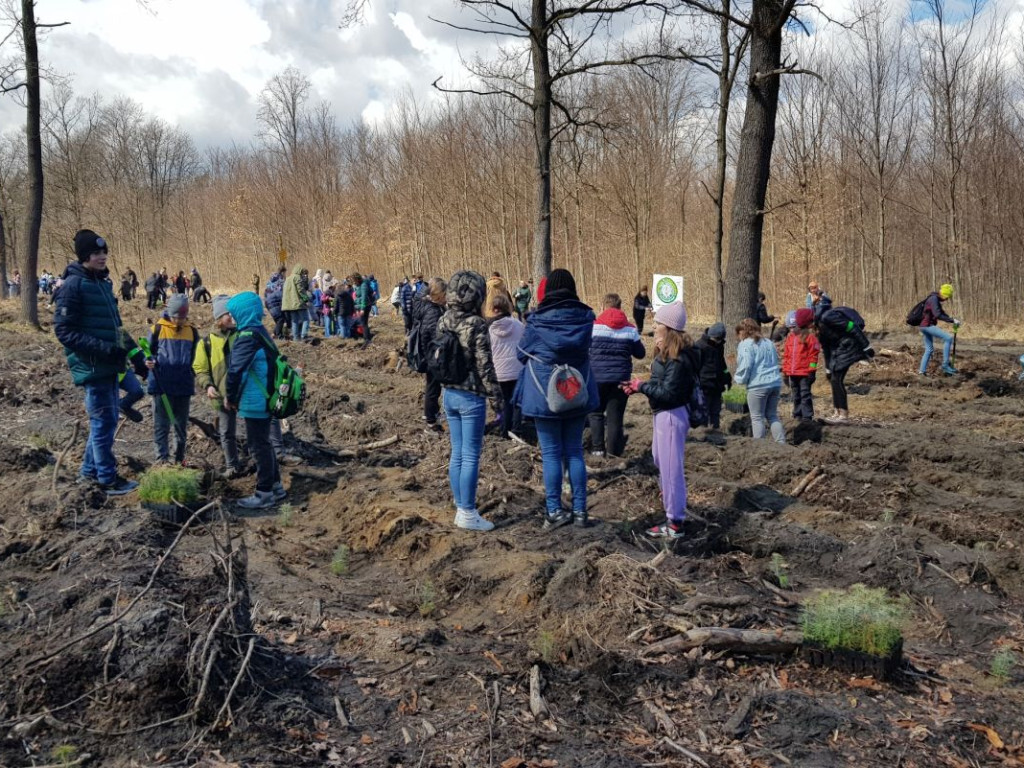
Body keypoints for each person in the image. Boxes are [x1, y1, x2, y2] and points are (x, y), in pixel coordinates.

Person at [55, 229, 138, 495]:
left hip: (109, 364)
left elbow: (116, 327)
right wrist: (104, 350)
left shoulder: (103, 284)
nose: (102, 257)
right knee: (104, 422)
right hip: (93, 365)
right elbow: (64, 331)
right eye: (95, 253)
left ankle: (89, 473)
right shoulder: (73, 286)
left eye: (104, 252)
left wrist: (133, 354)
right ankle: (107, 478)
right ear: (84, 256)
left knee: (107, 420)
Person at [516, 268, 598, 529]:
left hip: (543, 395)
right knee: (575, 452)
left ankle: (554, 511)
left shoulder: (537, 322)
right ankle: (581, 511)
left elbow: (521, 354)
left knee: (551, 454)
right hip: (577, 392)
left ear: (548, 290)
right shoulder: (585, 319)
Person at [622, 301, 697, 539]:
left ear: (669, 328)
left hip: (672, 416)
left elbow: (670, 393)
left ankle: (675, 522)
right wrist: (638, 387)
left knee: (670, 467)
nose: (654, 328)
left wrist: (642, 386)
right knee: (659, 457)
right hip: (662, 415)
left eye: (658, 324)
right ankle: (670, 496)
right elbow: (661, 384)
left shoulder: (678, 359)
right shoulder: (665, 355)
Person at [436, 270, 502, 531]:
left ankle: (460, 503)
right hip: (471, 397)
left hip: (448, 394)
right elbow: (486, 366)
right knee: (471, 455)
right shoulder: (476, 324)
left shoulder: (444, 319)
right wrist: (498, 400)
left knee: (457, 453)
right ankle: (467, 512)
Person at [225, 292, 288, 509]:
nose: (231, 318)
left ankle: (264, 494)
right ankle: (276, 487)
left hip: (256, 400)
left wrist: (230, 398)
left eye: (234, 314)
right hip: (267, 397)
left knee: (258, 447)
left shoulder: (247, 337)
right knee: (265, 443)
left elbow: (235, 372)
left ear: (243, 313)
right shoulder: (260, 332)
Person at [194, 295, 244, 477]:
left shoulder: (242, 334)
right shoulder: (206, 343)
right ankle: (232, 465)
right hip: (221, 396)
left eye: (232, 313)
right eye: (227, 314)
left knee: (256, 429)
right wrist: (207, 385)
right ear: (218, 318)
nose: (231, 317)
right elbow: (200, 368)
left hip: (245, 393)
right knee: (227, 431)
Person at [589, 292, 645, 457]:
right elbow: (640, 353)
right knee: (615, 417)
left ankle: (598, 450)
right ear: (620, 307)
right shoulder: (630, 329)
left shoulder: (593, 326)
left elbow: (585, 350)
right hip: (621, 379)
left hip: (597, 378)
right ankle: (613, 454)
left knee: (595, 413)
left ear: (603, 306)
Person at [146, 294, 199, 465]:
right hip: (162, 384)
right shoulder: (158, 329)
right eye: (177, 317)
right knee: (162, 425)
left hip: (183, 385)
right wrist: (148, 361)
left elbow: (196, 357)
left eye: (183, 318)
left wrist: (192, 372)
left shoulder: (192, 331)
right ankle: (162, 460)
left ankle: (179, 460)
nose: (180, 321)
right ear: (170, 313)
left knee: (180, 426)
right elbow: (146, 353)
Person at [817, 306, 874, 424]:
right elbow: (827, 350)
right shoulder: (820, 333)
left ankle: (843, 415)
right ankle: (837, 412)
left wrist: (866, 346)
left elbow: (852, 327)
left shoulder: (829, 318)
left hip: (851, 344)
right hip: (841, 347)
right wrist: (828, 369)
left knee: (836, 378)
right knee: (833, 378)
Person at [734, 317, 785, 443]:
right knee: (772, 416)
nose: (738, 336)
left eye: (739, 333)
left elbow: (746, 365)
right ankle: (781, 444)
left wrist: (739, 380)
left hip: (758, 385)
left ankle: (759, 447)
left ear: (743, 332)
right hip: (775, 383)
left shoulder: (745, 344)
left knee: (757, 418)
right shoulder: (768, 342)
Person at [411, 277, 447, 429]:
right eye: (445, 294)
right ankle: (431, 420)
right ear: (439, 295)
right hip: (432, 356)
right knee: (433, 388)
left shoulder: (424, 305)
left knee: (432, 386)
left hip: (429, 354)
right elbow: (430, 335)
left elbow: (420, 294)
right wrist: (434, 355)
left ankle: (431, 413)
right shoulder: (433, 311)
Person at [487, 293, 525, 439]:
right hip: (516, 369)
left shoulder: (488, 328)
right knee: (516, 401)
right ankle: (517, 430)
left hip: (499, 371)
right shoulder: (519, 325)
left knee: (504, 402)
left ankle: (504, 431)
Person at [782, 308, 821, 422]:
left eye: (794, 327)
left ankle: (807, 416)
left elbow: (814, 355)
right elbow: (787, 356)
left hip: (804, 373)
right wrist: (785, 371)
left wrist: (812, 370)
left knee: (805, 394)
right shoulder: (790, 339)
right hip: (793, 373)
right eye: (790, 328)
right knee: (795, 394)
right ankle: (797, 413)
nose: (792, 329)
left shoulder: (810, 338)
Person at [693, 322, 730, 431]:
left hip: (717, 386)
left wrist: (727, 376)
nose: (718, 342)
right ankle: (703, 432)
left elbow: (722, 364)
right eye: (716, 339)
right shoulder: (699, 346)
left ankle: (716, 430)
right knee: (704, 411)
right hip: (704, 386)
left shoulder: (720, 346)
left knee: (716, 411)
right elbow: (695, 367)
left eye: (720, 340)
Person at [917, 283, 959, 376]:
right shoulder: (934, 299)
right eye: (947, 297)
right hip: (927, 326)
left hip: (924, 326)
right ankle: (945, 364)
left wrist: (953, 320)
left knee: (929, 349)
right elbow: (938, 315)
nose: (947, 299)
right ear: (944, 294)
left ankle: (921, 372)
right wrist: (951, 320)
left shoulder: (934, 299)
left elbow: (942, 313)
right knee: (948, 338)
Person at [282, 263, 310, 342]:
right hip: (298, 303)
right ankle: (304, 335)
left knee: (294, 321)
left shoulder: (287, 279)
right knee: (306, 319)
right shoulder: (297, 278)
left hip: (289, 304)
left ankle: (295, 338)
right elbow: (300, 290)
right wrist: (306, 300)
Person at [264, 267, 286, 339]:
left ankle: (274, 334)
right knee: (280, 319)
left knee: (278, 320)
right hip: (276, 303)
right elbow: (281, 293)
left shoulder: (269, 283)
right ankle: (279, 336)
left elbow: (265, 294)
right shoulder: (280, 282)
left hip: (268, 304)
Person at [352, 273, 374, 347]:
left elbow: (364, 298)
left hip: (365, 306)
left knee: (364, 323)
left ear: (357, 279)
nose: (354, 282)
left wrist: (362, 309)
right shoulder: (358, 285)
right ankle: (366, 338)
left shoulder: (363, 285)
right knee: (363, 323)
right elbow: (358, 297)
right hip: (361, 306)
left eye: (354, 280)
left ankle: (367, 339)